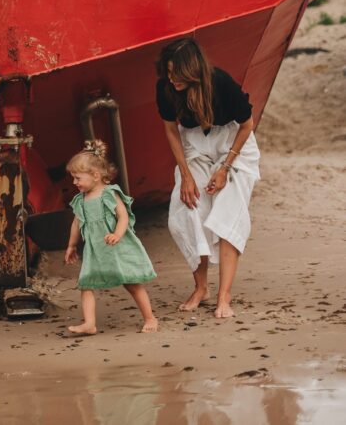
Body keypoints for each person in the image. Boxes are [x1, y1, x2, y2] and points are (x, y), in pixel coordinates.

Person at [155, 37, 260, 319]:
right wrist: (186, 175)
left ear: (194, 70)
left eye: (178, 74)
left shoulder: (221, 83)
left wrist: (224, 168)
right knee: (188, 207)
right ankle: (201, 288)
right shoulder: (166, 88)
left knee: (228, 211)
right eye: (169, 72)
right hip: (195, 143)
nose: (172, 79)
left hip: (233, 141)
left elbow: (247, 125)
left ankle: (224, 296)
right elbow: (171, 130)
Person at [64, 140, 158, 334]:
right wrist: (71, 245)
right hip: (95, 249)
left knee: (132, 283)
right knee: (86, 284)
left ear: (95, 175)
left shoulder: (109, 194)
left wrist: (117, 234)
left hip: (117, 247)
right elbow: (76, 223)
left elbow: (123, 216)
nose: (74, 182)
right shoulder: (80, 200)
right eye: (73, 178)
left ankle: (150, 318)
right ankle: (89, 324)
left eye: (77, 178)